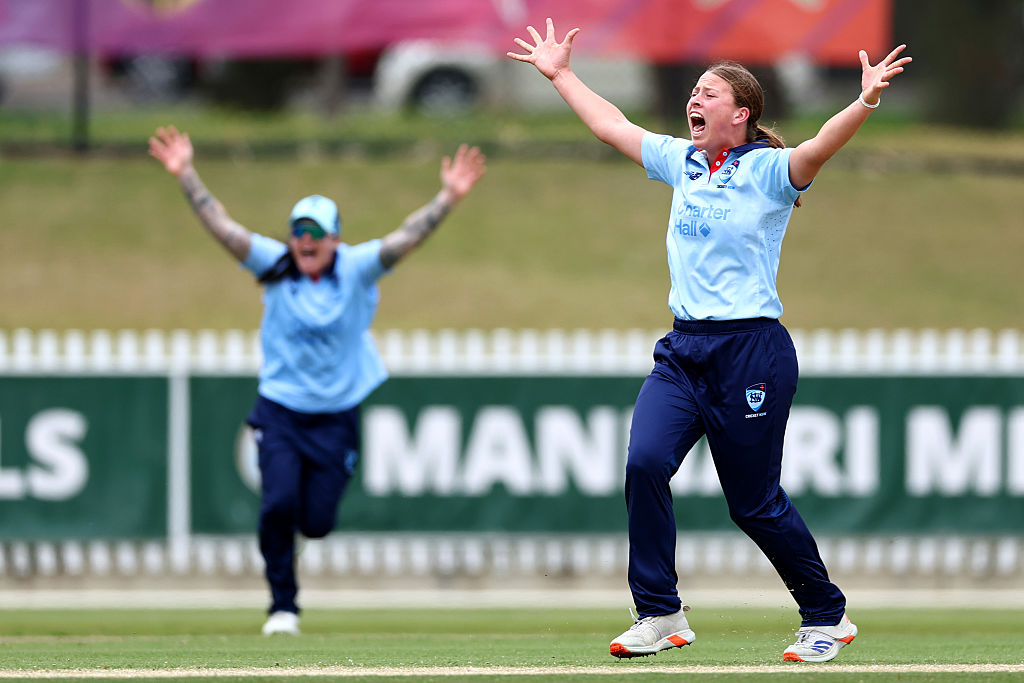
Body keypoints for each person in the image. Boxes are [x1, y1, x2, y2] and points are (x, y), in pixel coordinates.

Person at [509, 19, 910, 663]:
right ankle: (661, 613)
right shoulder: (683, 160)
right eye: (693, 91)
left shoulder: (770, 171)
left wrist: (863, 100)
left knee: (752, 504)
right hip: (684, 352)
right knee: (644, 463)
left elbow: (821, 147)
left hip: (751, 351)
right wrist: (560, 75)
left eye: (708, 93)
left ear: (741, 114)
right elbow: (612, 125)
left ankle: (827, 616)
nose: (694, 100)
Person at [148, 126, 486, 636]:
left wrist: (447, 197)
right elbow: (222, 227)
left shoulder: (355, 269)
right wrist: (186, 173)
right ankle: (283, 605)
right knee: (278, 504)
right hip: (280, 409)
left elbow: (406, 237)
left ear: (334, 239)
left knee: (318, 523)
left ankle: (297, 546)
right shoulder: (275, 266)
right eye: (298, 232)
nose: (305, 241)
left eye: (315, 233)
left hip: (336, 414)